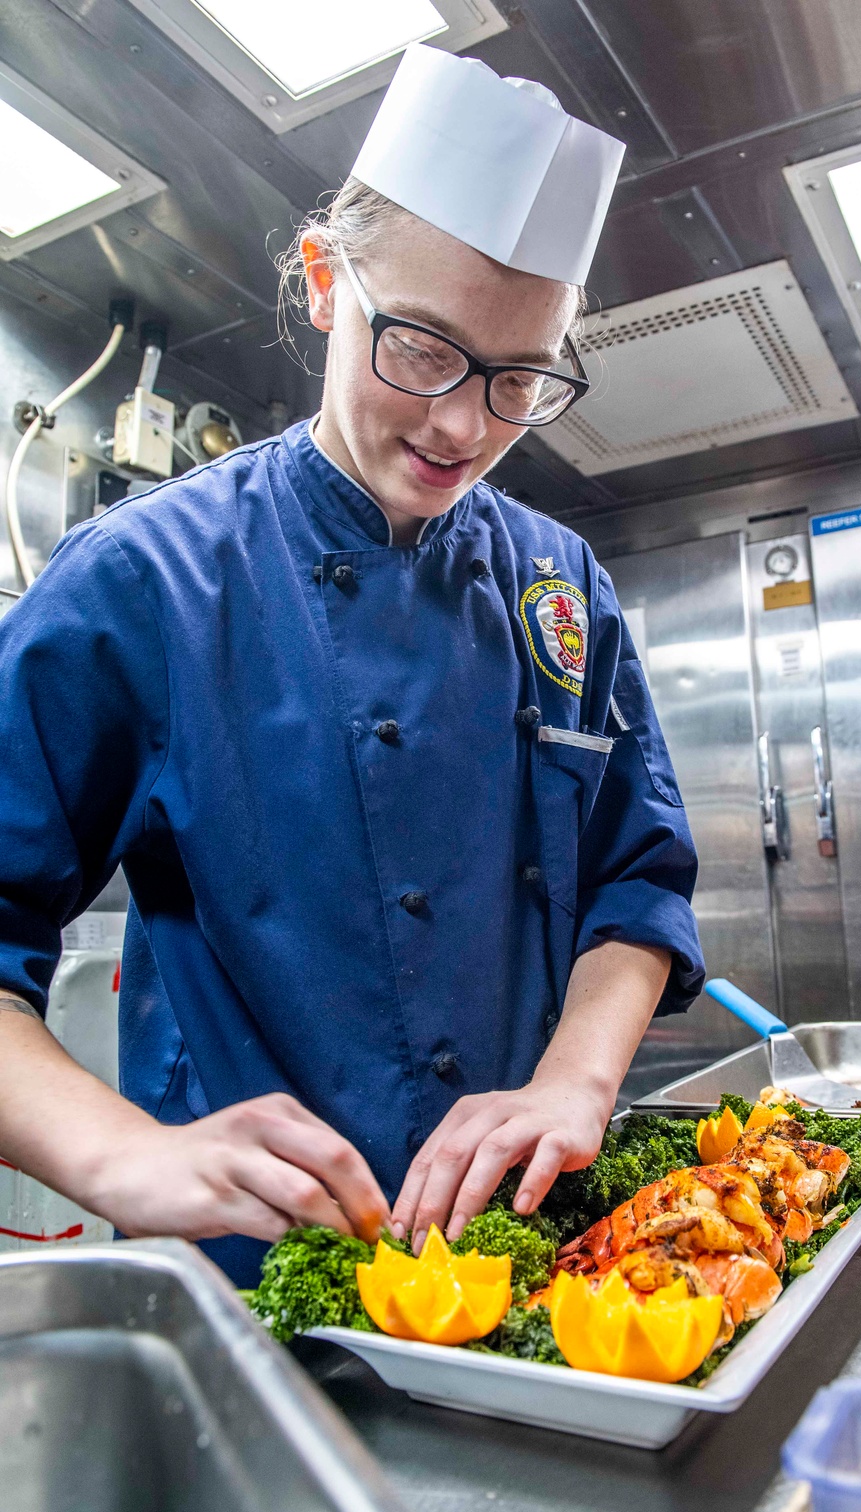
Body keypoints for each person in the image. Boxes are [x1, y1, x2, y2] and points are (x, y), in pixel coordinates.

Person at [0, 46, 705, 1287]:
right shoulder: (146, 582)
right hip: (251, 1270)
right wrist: (120, 1156)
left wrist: (573, 1081)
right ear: (327, 283)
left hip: (528, 1250)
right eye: (423, 349)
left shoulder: (558, 584)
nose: (461, 426)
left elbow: (633, 882)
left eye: (518, 377)